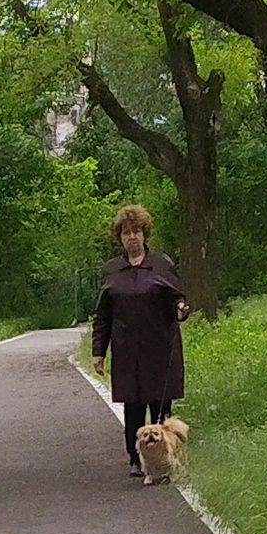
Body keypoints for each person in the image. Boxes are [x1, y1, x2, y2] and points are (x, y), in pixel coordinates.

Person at [90, 203, 188, 477]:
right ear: (120, 238)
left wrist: (181, 308)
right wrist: (99, 351)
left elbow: (177, 298)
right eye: (126, 233)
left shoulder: (161, 265)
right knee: (133, 405)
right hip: (126, 349)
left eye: (136, 232)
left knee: (160, 406)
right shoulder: (112, 271)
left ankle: (165, 459)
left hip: (159, 346)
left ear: (145, 234)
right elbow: (103, 315)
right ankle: (136, 458)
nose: (131, 237)